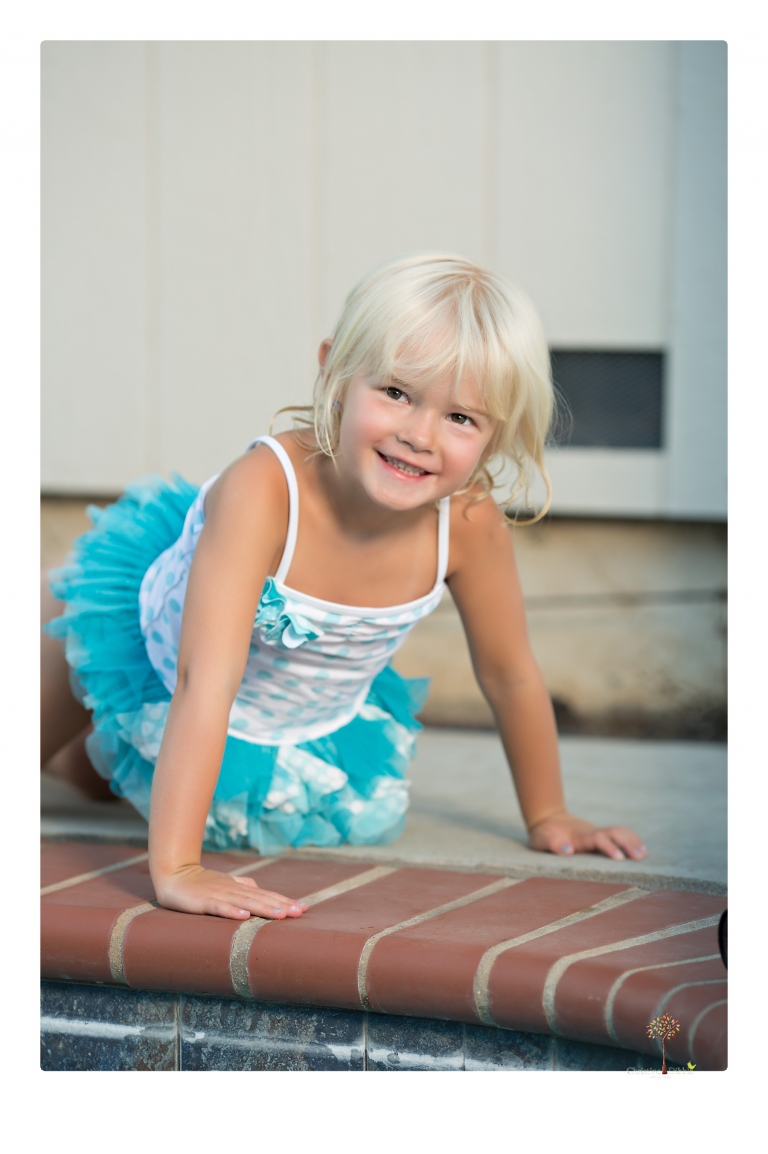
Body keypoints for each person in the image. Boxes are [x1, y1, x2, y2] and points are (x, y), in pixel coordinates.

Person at [41, 253, 647, 924]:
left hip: (287, 718)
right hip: (155, 647)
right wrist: (178, 869)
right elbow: (202, 680)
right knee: (61, 683)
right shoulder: (266, 491)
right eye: (396, 392)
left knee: (103, 783)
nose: (419, 435)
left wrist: (548, 813)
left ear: (494, 433)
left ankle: (85, 765)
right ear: (335, 373)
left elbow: (509, 674)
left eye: (461, 418)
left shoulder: (468, 523)